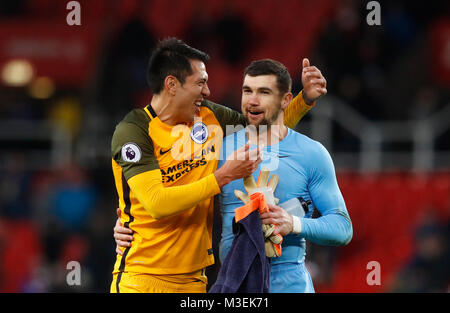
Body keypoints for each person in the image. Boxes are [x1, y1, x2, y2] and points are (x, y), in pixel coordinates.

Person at [110, 38, 326, 293]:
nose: (207, 91)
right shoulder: (134, 131)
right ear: (172, 85)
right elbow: (157, 203)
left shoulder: (210, 116)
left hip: (195, 282)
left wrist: (304, 100)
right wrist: (223, 176)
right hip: (141, 278)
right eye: (200, 83)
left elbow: (267, 132)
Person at [216, 59, 353, 292]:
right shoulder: (220, 150)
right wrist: (132, 227)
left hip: (290, 285)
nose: (252, 100)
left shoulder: (311, 154)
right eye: (247, 91)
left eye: (264, 92)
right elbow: (182, 198)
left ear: (286, 100)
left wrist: (293, 223)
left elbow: (342, 228)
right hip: (235, 287)